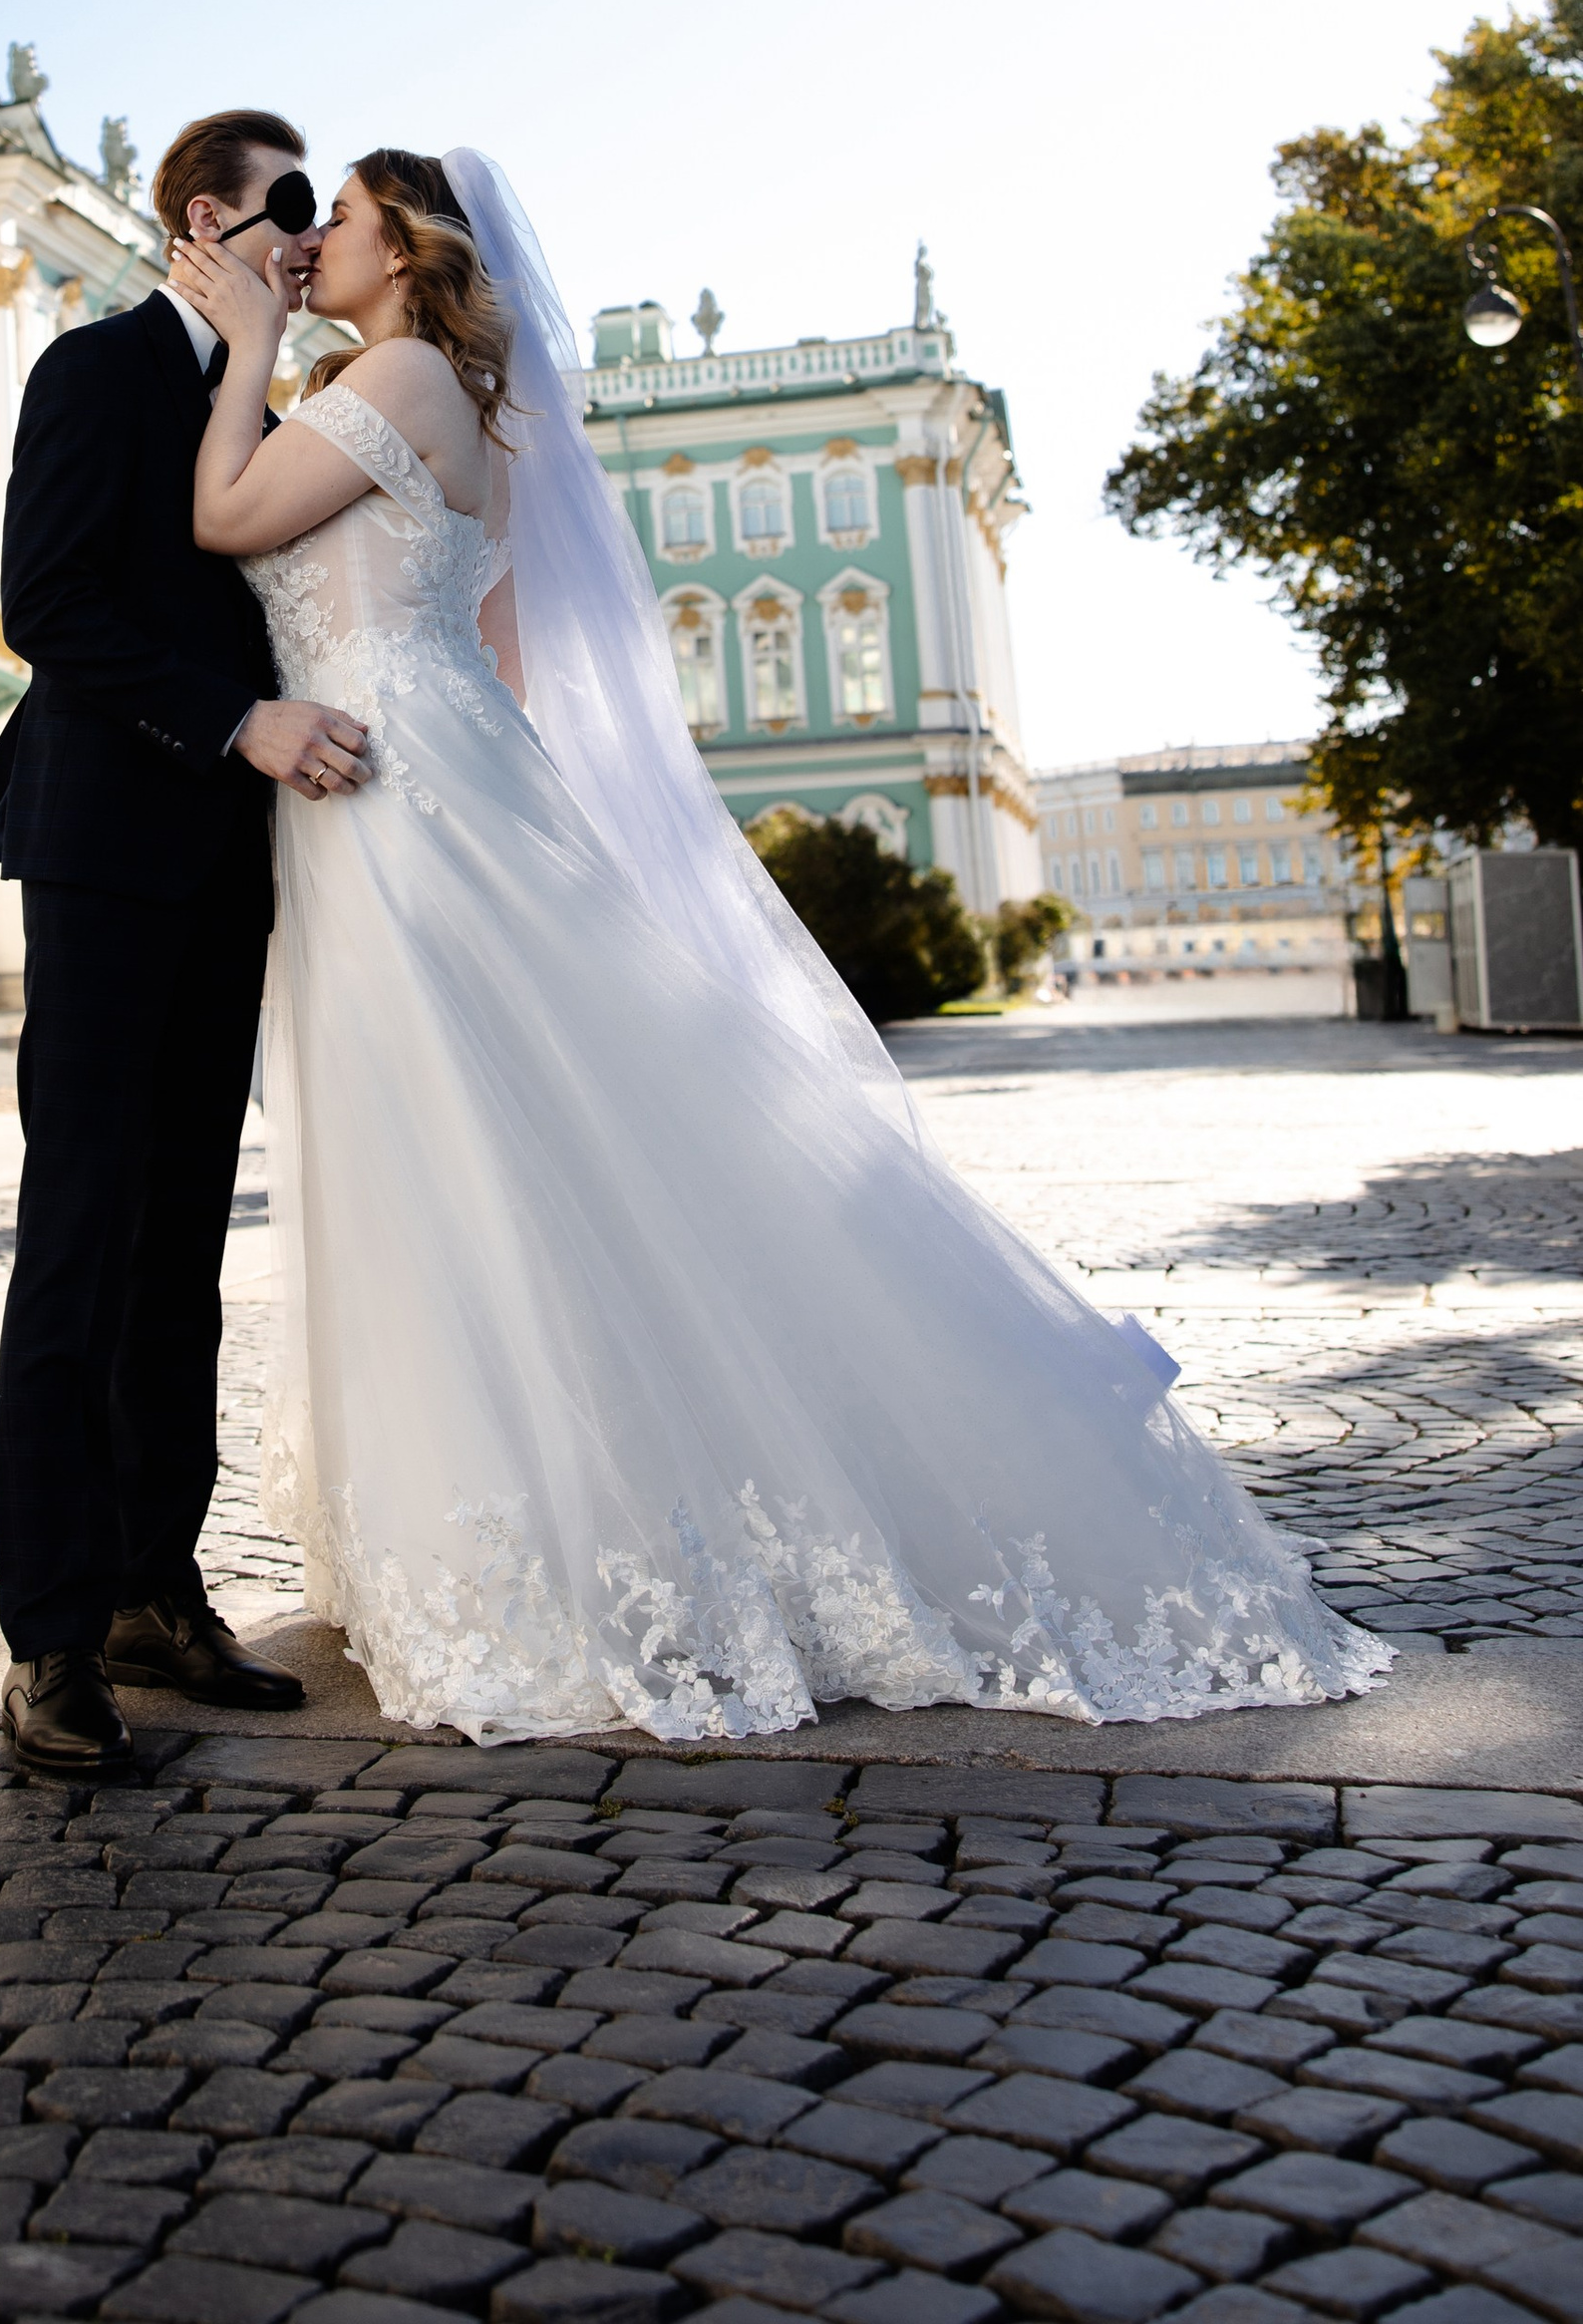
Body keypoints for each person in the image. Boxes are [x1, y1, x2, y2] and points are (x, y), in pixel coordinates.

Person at [167, 149, 1390, 1743]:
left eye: (343, 218)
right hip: (415, 778)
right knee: (503, 1146)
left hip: (392, 797)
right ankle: (517, 1506)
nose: (312, 237)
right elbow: (498, 644)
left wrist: (246, 349)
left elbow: (224, 513)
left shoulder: (388, 369)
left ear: (410, 253)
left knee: (454, 1148)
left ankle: (531, 1526)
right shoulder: (460, 402)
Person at [0, 109, 373, 1780]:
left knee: (184, 1243)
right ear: (210, 213)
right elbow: (47, 607)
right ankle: (51, 1639)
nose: (307, 229)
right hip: (110, 857)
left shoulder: (263, 409)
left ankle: (155, 1590)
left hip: (226, 879)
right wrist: (239, 722)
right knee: (81, 1240)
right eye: (288, 202)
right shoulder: (95, 369)